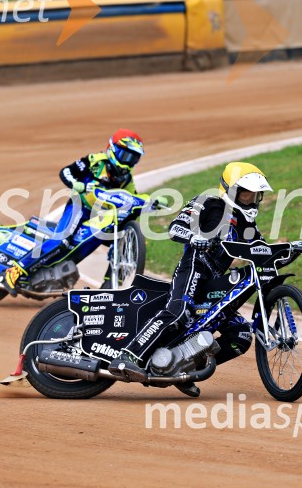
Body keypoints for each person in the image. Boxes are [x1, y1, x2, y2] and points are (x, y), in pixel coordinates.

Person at [109, 162, 286, 398]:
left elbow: (262, 252)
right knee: (179, 312)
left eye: (255, 195)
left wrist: (288, 250)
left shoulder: (247, 224)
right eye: (246, 194)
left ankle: (187, 369)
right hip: (194, 267)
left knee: (242, 334)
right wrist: (194, 237)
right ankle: (127, 356)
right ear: (231, 190)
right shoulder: (209, 202)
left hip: (214, 282)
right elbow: (175, 228)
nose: (251, 200)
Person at [0, 129, 147, 296]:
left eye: (134, 158)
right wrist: (76, 184)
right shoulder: (95, 162)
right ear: (113, 149)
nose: (129, 162)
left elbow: (131, 197)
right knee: (62, 240)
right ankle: (14, 271)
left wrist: (150, 202)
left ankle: (109, 285)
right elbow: (66, 171)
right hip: (79, 206)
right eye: (126, 156)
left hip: (99, 216)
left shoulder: (126, 179)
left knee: (120, 239)